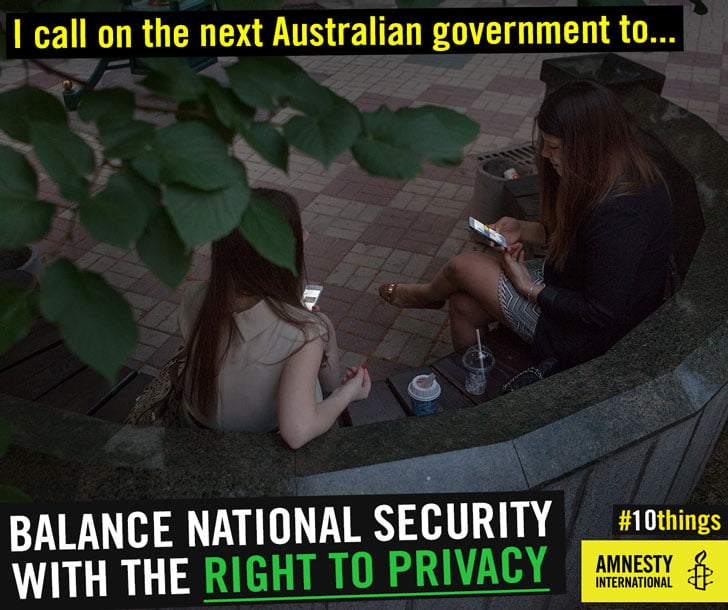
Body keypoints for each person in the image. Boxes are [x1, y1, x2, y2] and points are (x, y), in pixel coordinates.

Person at [379, 80, 673, 371]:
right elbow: (581, 240)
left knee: (463, 267)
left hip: (588, 334)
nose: (545, 154)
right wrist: (521, 228)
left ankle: (426, 295)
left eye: (555, 146)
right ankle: (477, 386)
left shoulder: (621, 212)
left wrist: (528, 288)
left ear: (588, 146)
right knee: (462, 305)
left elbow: (599, 312)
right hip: (569, 285)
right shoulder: (607, 172)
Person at [178, 188, 371, 448]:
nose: (306, 235)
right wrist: (346, 393)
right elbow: (297, 431)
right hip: (262, 448)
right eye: (296, 231)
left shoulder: (194, 298)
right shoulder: (304, 333)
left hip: (191, 428)